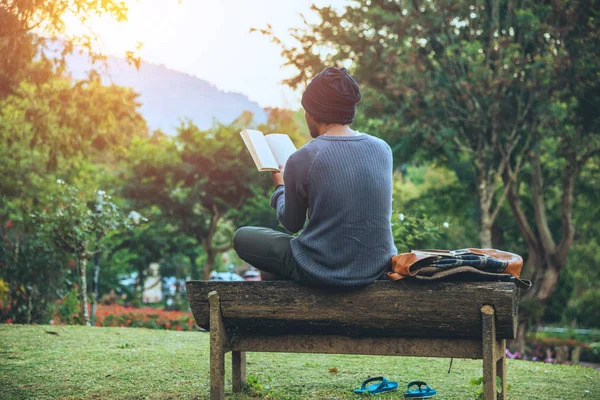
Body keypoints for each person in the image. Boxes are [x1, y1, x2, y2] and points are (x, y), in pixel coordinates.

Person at [232, 67, 396, 287]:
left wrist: (280, 187)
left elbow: (292, 223)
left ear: (312, 112)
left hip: (321, 269)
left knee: (243, 237)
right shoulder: (382, 149)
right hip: (375, 267)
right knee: (270, 272)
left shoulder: (304, 158)